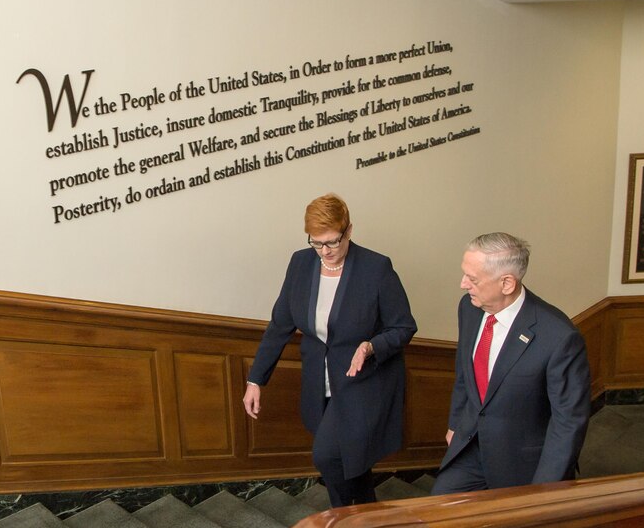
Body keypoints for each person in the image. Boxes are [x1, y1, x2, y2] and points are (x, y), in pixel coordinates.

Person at [243, 193, 417, 507]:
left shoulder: (376, 268)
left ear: (348, 231)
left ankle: (342, 525)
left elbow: (404, 327)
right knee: (352, 462)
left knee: (327, 456)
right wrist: (256, 380)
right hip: (320, 382)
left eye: (333, 242)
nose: (326, 251)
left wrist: (370, 345)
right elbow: (280, 325)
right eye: (317, 243)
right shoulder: (300, 263)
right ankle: (368, 518)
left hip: (363, 382)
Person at [431, 232, 590, 495]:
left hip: (522, 464)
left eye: (472, 279)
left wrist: (543, 490)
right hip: (470, 446)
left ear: (506, 283)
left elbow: (568, 423)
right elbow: (464, 373)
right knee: (439, 514)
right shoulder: (469, 308)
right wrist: (454, 425)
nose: (463, 284)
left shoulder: (559, 337)